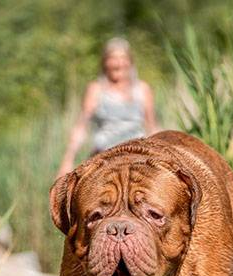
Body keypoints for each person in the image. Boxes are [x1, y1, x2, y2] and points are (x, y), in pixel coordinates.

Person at [56, 38, 159, 177]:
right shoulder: (96, 89)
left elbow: (152, 126)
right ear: (105, 62)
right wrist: (68, 159)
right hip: (104, 155)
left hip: (137, 155)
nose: (118, 63)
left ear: (130, 62)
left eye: (123, 58)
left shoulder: (142, 89)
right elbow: (81, 127)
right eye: (113, 58)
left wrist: (162, 153)